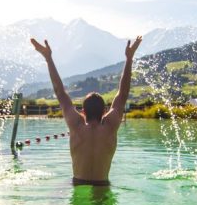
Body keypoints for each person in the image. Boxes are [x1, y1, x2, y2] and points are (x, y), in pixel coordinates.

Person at [30, 35, 142, 185]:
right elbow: (123, 94)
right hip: (102, 187)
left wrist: (48, 58)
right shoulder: (110, 126)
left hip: (78, 185)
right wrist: (129, 58)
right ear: (104, 111)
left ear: (83, 111)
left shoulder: (76, 125)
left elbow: (60, 92)